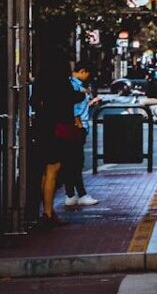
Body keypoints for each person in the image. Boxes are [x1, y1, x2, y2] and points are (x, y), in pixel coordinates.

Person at [31, 50, 84, 227]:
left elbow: (34, 101)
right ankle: (47, 212)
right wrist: (81, 94)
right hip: (57, 129)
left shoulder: (40, 81)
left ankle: (47, 210)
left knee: (46, 171)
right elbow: (68, 99)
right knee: (54, 169)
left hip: (42, 128)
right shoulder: (61, 82)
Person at [63, 62, 101, 208]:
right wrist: (78, 124)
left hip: (78, 126)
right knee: (75, 162)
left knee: (73, 162)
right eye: (87, 74)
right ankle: (77, 194)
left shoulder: (72, 84)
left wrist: (90, 103)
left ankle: (72, 194)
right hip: (77, 127)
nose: (87, 77)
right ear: (82, 71)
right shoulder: (74, 86)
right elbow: (73, 108)